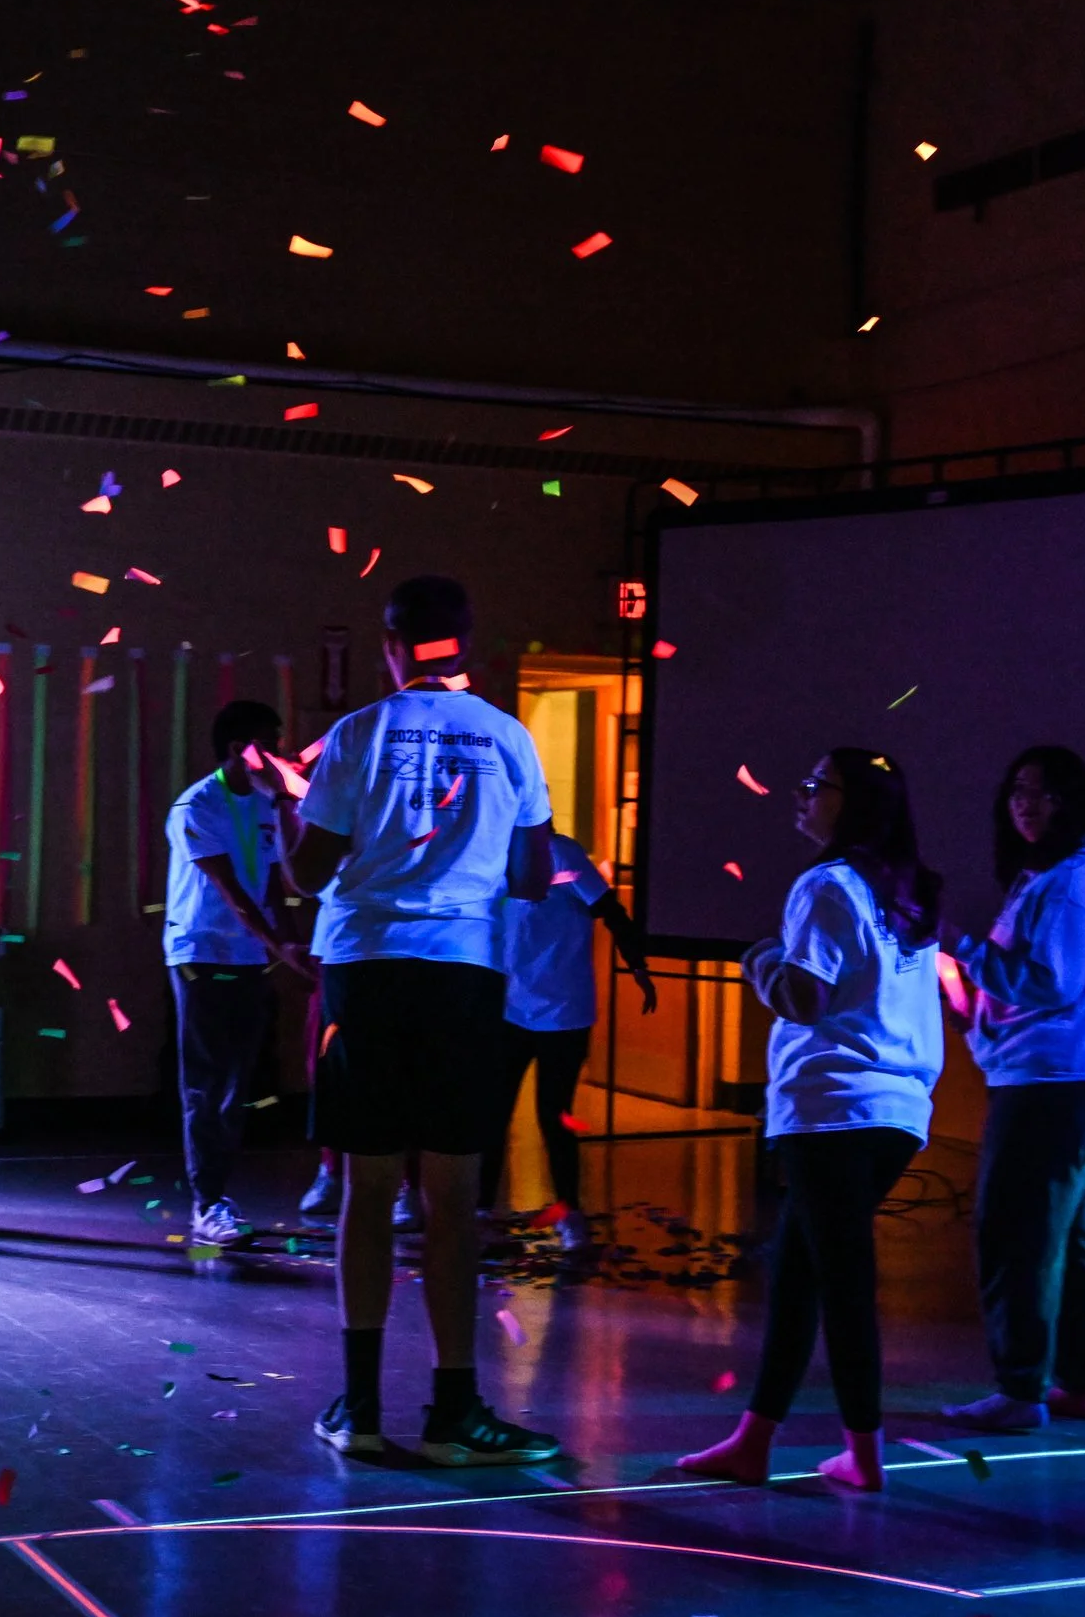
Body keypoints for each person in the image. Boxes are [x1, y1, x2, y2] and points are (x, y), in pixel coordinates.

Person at [289, 574, 564, 1465]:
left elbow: (307, 870)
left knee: (368, 1192)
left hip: (367, 973)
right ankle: (455, 1410)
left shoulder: (356, 735)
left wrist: (316, 819)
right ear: (468, 644)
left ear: (391, 645)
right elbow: (530, 876)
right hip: (464, 976)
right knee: (452, 1197)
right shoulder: (511, 737)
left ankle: (361, 1408)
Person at [678, 748, 943, 1493]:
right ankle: (754, 1439)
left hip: (833, 1108)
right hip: (896, 1109)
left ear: (851, 803)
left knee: (842, 1282)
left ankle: (864, 1455)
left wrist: (758, 958)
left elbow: (804, 998)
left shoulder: (826, 885)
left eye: (816, 785)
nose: (800, 793)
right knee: (798, 1275)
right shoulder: (907, 891)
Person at [941, 747, 1085, 1432]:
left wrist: (959, 946)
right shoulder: (1056, 876)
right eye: (1017, 789)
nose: (1026, 803)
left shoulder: (1077, 883)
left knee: (1016, 1234)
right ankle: (1079, 1385)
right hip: (1066, 1080)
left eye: (1043, 793)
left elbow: (1052, 982)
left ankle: (1021, 1390)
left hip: (1056, 1085)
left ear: (1072, 801)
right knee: (1066, 1239)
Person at [164, 698, 316, 1246]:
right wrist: (281, 947)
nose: (281, 756)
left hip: (249, 957)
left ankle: (217, 1195)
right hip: (201, 956)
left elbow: (275, 883)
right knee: (206, 1084)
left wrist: (292, 942)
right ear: (239, 750)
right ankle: (206, 1205)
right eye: (270, 745)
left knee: (238, 1084)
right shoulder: (197, 807)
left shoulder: (264, 805)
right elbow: (233, 894)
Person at [491, 834, 658, 1234]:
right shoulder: (496, 850)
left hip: (563, 1010)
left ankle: (570, 1210)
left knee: (554, 1113)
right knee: (493, 1111)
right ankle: (480, 1210)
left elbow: (610, 910)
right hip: (510, 1007)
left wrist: (637, 965)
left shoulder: (560, 854)